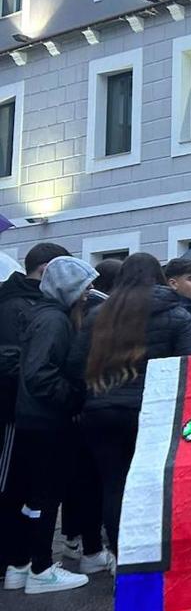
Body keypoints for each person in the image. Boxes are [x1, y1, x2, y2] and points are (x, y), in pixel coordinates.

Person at [67, 253, 191, 561]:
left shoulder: (97, 315)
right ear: (158, 277)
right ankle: (157, 555)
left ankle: (120, 558)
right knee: (156, 486)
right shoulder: (177, 314)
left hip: (100, 410)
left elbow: (75, 365)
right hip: (154, 414)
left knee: (113, 484)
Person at [9, 257, 106, 594]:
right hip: (48, 420)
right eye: (84, 287)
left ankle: (21, 566)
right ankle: (41, 569)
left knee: (34, 497)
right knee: (46, 496)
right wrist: (73, 397)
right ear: (68, 289)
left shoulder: (44, 315)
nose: (88, 294)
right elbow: (40, 373)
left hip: (34, 418)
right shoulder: (54, 320)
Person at [0, 244, 72, 589]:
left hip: (23, 407)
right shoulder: (20, 306)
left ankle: (19, 561)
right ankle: (21, 561)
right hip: (18, 410)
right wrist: (65, 393)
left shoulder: (29, 304)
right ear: (47, 270)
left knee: (25, 488)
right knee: (19, 488)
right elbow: (20, 362)